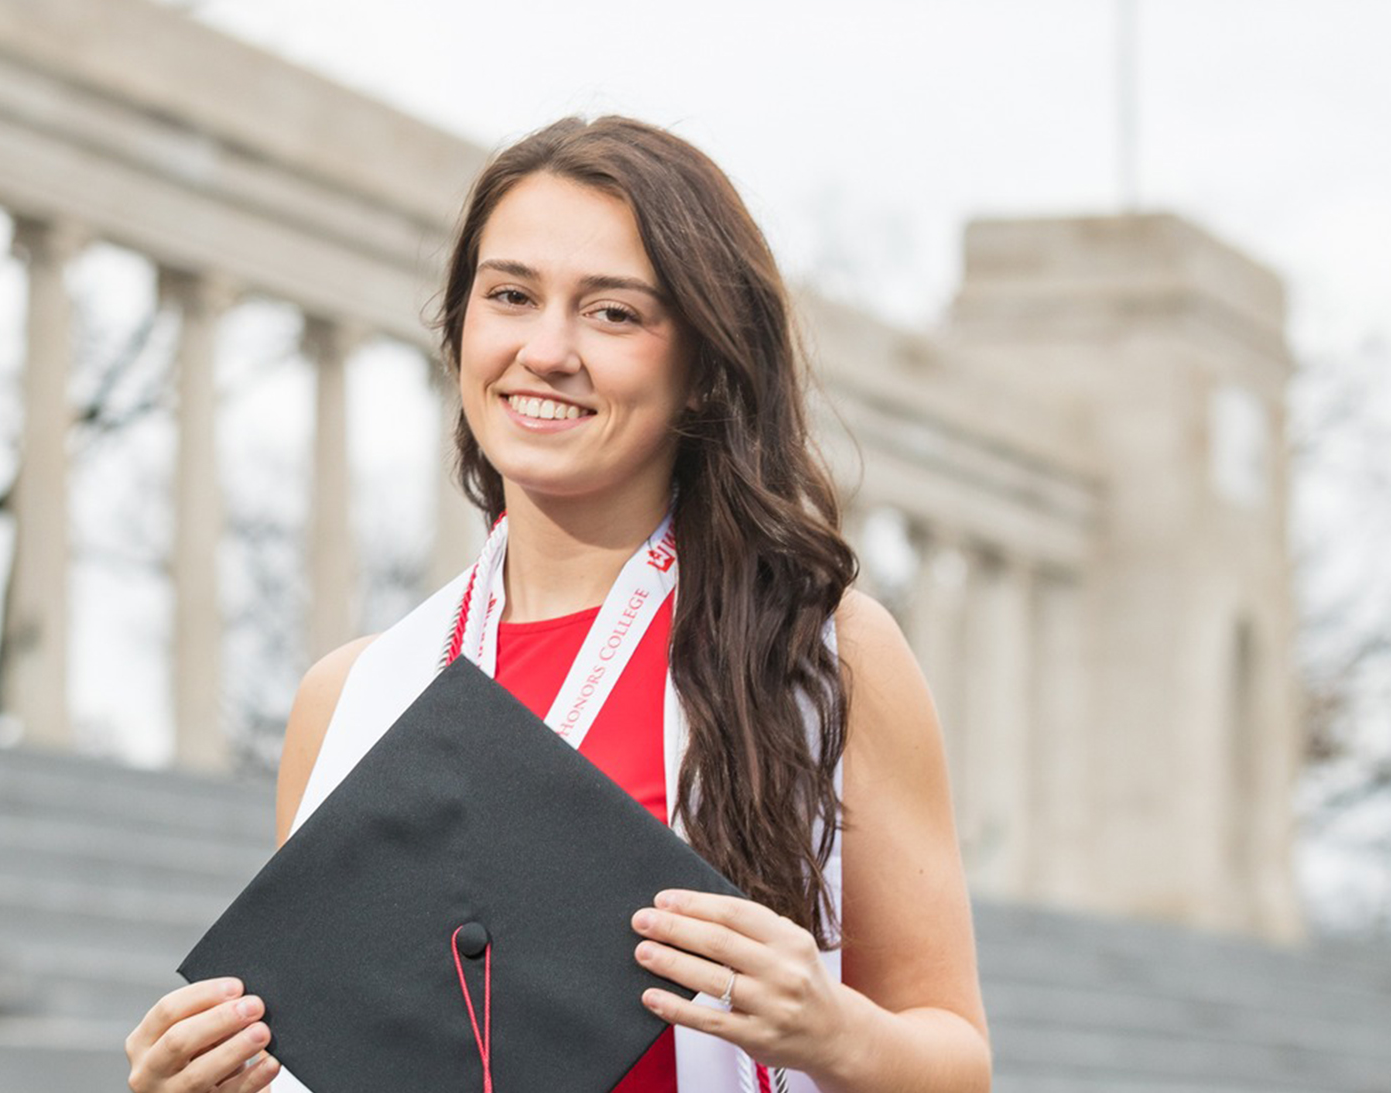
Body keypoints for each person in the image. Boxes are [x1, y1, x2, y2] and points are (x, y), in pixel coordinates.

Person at [125, 115, 991, 1093]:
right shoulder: (353, 696)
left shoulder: (821, 654)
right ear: (462, 328)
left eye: (612, 313)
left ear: (702, 365)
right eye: (510, 296)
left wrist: (836, 1031)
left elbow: (959, 1062)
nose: (546, 349)